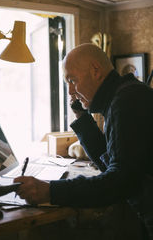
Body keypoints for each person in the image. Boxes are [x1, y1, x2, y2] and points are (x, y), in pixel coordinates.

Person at [14, 43, 153, 239]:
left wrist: (50, 191)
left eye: (72, 80)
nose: (70, 91)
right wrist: (82, 117)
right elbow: (112, 163)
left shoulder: (127, 101)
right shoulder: (122, 97)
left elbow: (120, 181)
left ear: (96, 70)